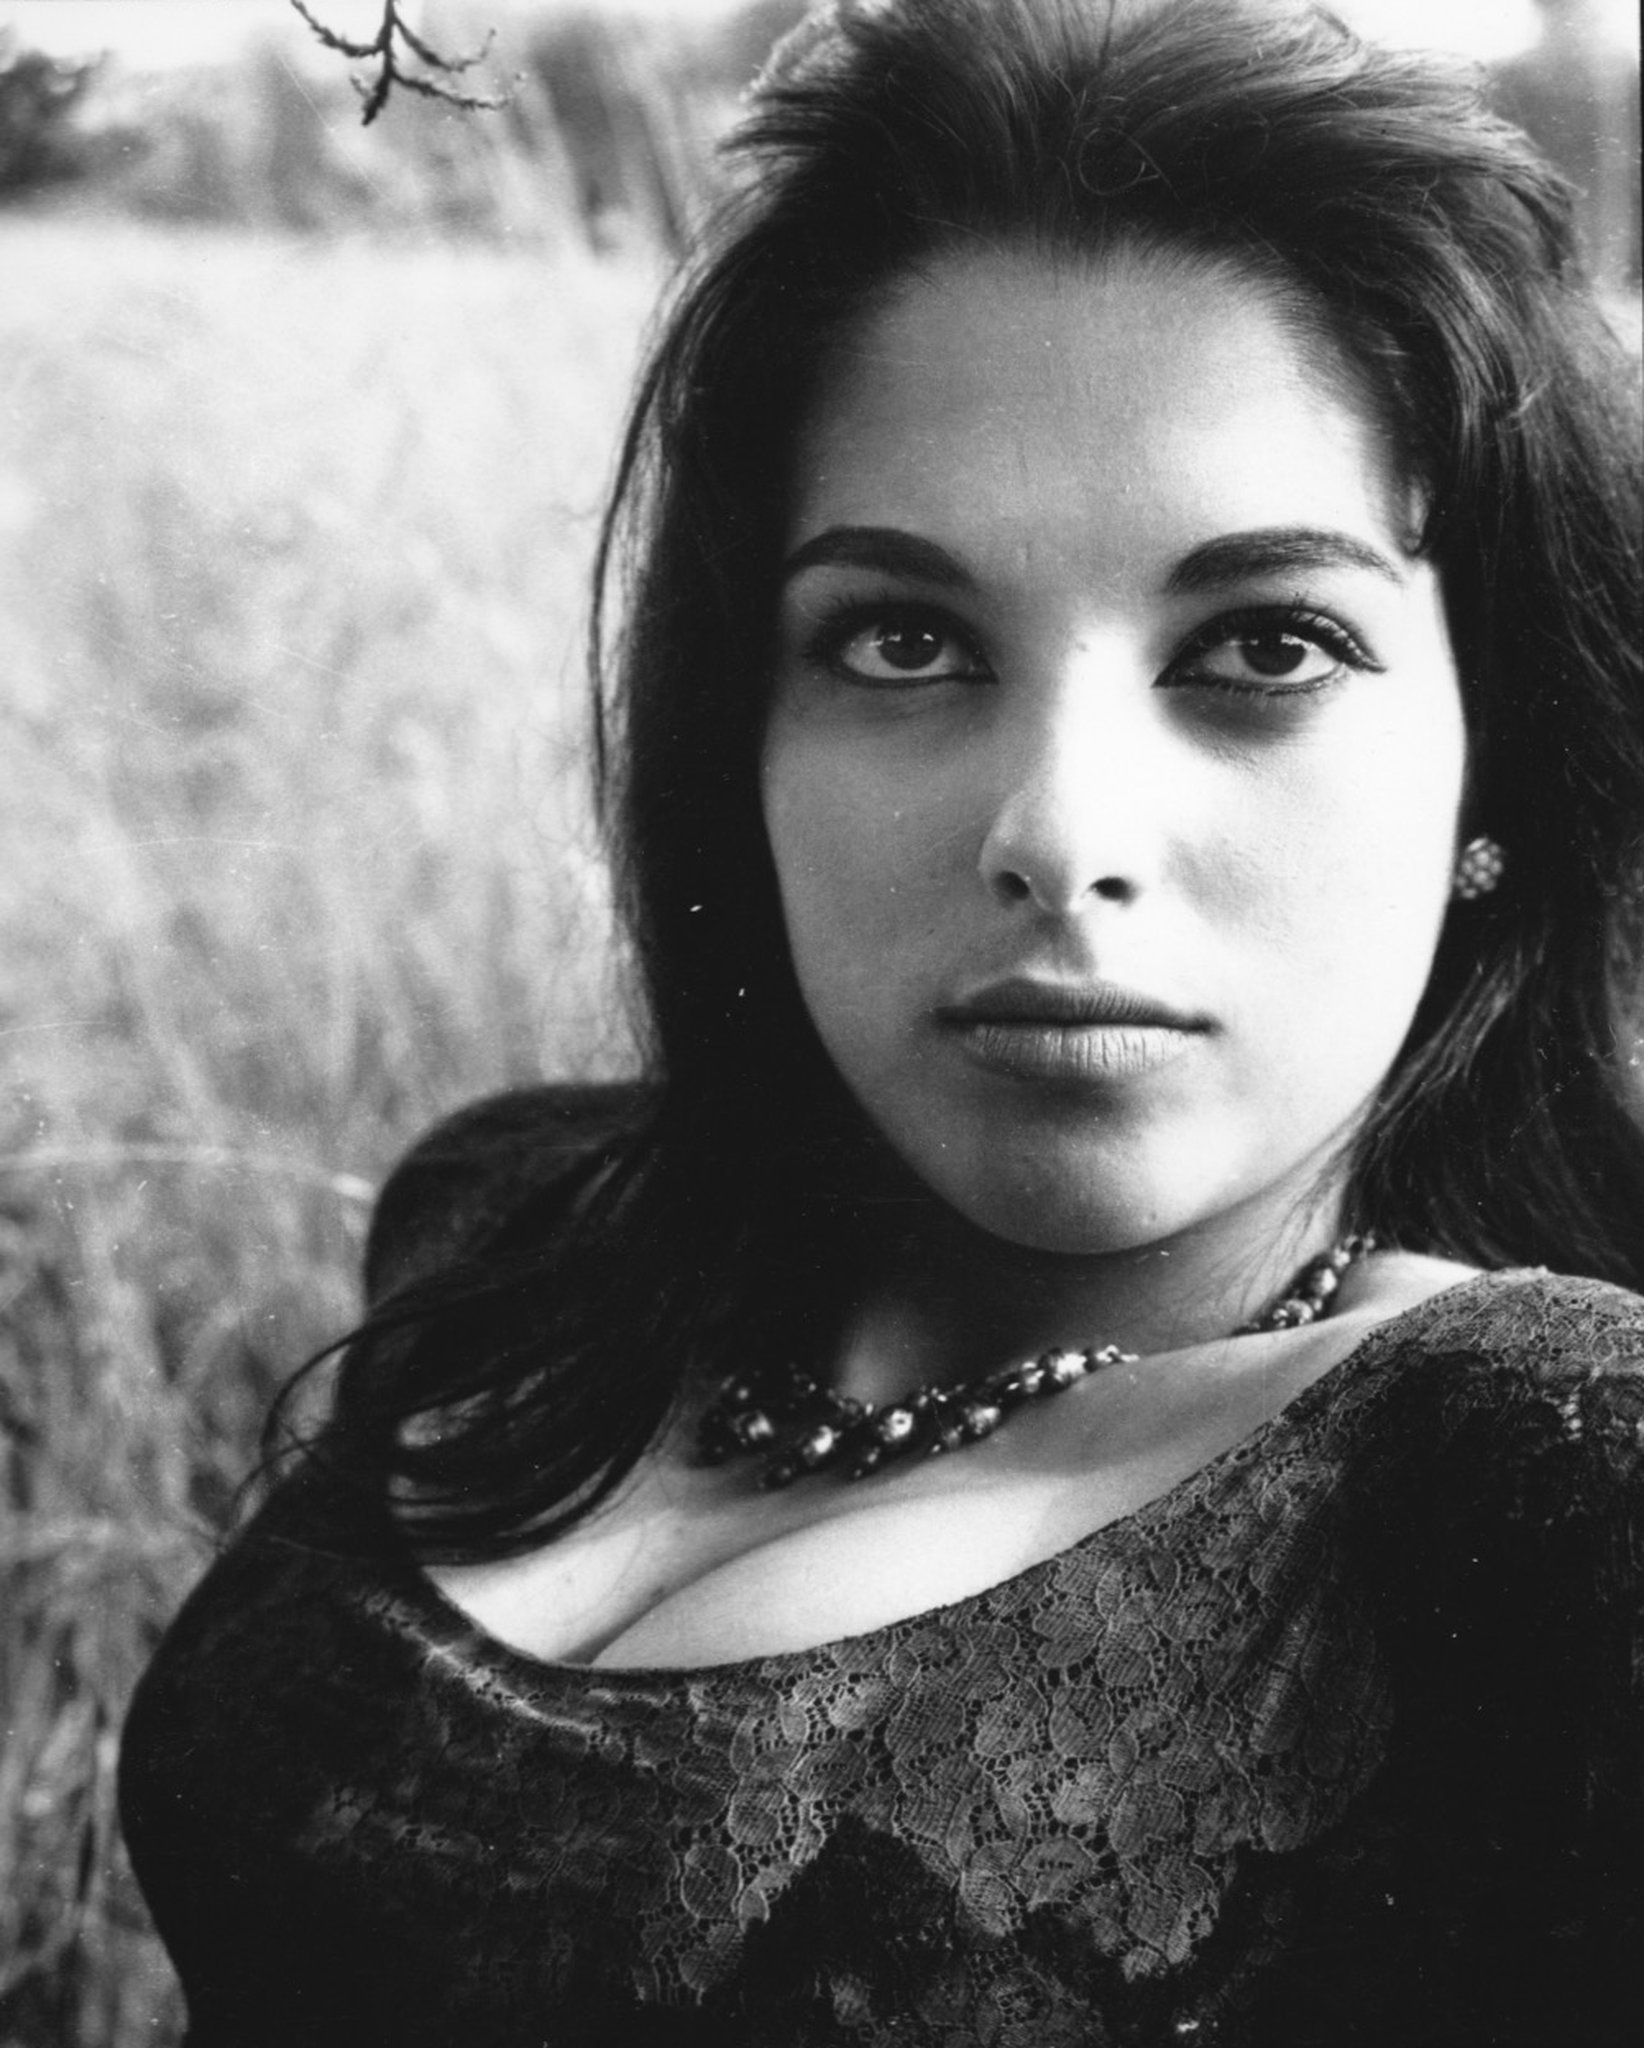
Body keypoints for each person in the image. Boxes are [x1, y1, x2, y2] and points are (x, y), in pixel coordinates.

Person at [119, 1, 1643, 2041]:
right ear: (743, 730)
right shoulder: (525, 1224)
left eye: (1268, 645)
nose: (1057, 836)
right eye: (905, 639)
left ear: (1501, 773)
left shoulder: (1543, 1479)